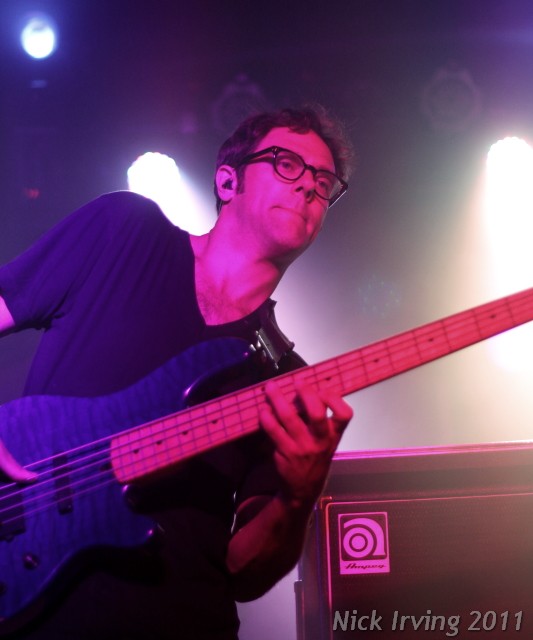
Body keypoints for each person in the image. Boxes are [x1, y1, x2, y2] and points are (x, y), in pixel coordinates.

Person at [0, 106, 354, 639]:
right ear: (227, 181)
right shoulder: (123, 231)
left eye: (324, 182)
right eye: (287, 163)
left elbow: (245, 571)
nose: (308, 184)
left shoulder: (287, 384)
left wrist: (300, 496)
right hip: (34, 607)